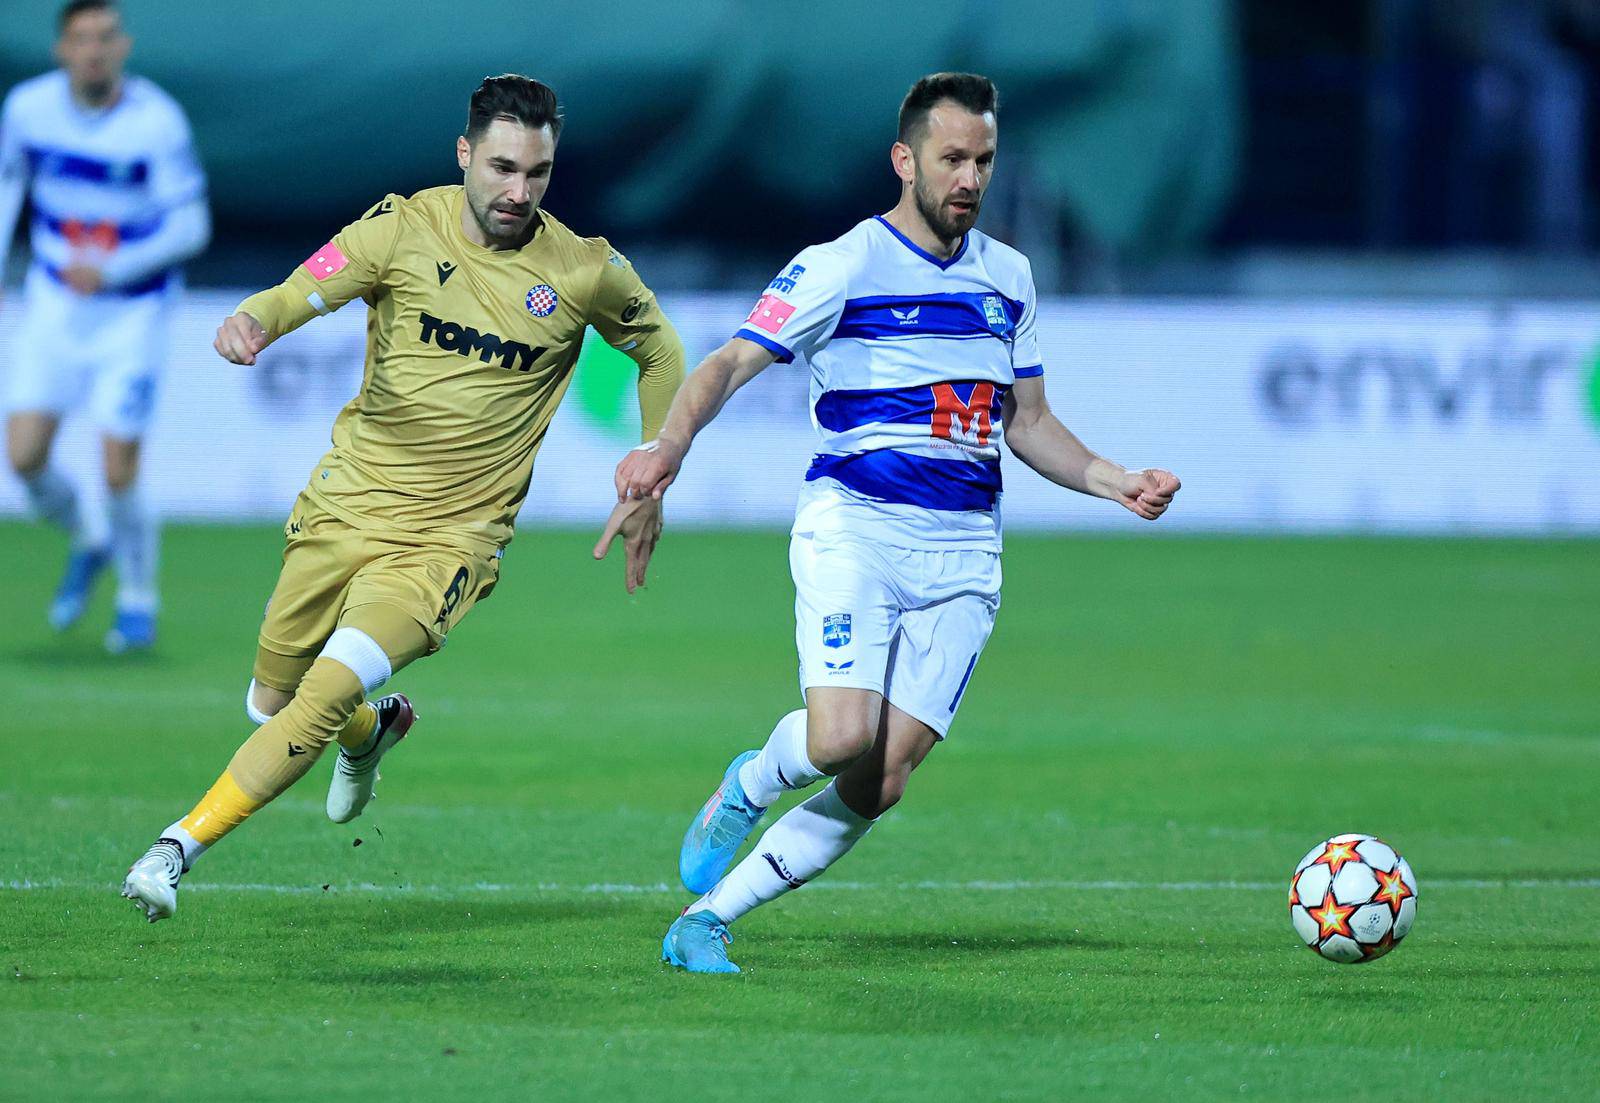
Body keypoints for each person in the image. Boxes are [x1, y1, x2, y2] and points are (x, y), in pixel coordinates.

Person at [610, 72, 1181, 973]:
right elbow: (725, 363)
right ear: (904, 160)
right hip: (857, 530)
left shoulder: (1009, 277)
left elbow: (1025, 421)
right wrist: (669, 445)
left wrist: (1114, 480)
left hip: (964, 557)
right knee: (839, 737)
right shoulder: (841, 264)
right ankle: (750, 781)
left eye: (985, 159)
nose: (970, 177)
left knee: (880, 777)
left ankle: (708, 920)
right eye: (953, 157)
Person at [119, 74, 681, 922]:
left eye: (537, 173)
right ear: (464, 155)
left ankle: (174, 848)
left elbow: (662, 350)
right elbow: (304, 286)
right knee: (270, 699)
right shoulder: (399, 229)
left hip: (449, 543)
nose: (517, 192)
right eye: (500, 168)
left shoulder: (583, 268)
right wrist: (256, 321)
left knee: (317, 693)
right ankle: (369, 733)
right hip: (347, 506)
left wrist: (653, 462)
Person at [0, 0, 210, 651]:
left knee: (119, 465)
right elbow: (10, 187)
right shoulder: (29, 108)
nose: (95, 49)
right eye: (82, 38)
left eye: (106, 37)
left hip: (133, 310)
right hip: (55, 303)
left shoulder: (157, 121)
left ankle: (138, 600)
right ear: (62, 48)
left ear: (124, 46)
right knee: (25, 457)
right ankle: (91, 535)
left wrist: (116, 267)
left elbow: (190, 225)